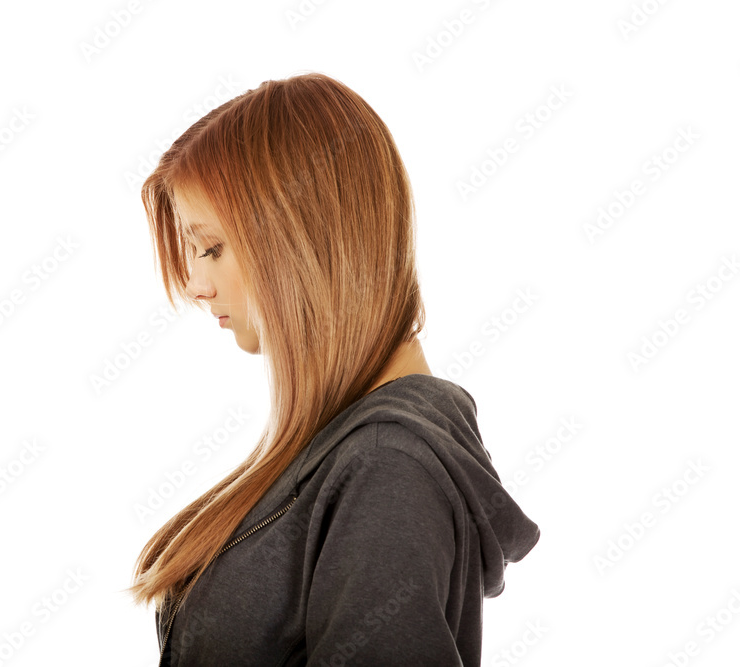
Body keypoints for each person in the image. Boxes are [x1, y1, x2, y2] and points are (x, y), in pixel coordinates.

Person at [123, 71, 541, 666]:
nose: (195, 284)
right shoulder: (352, 447)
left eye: (211, 248)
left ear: (305, 238)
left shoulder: (387, 463)